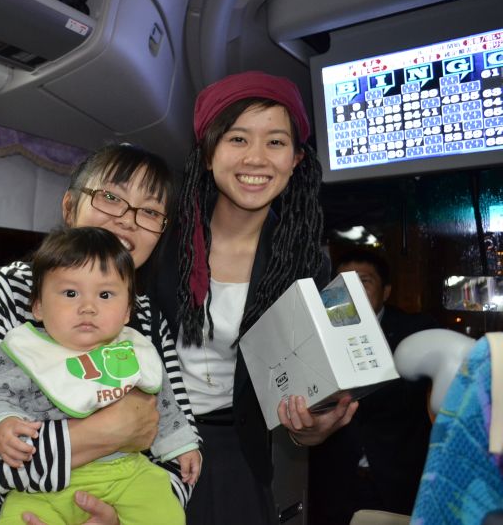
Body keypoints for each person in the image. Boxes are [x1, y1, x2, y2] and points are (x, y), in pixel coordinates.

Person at [0, 143, 199, 524]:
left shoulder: (149, 321)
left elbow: (179, 455)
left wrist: (115, 520)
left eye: (151, 212)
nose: (128, 220)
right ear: (70, 207)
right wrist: (100, 434)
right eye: (111, 197)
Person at [147, 71, 359, 524]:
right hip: (141, 437)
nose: (256, 158)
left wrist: (308, 429)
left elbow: (299, 381)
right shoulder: (160, 236)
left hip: (235, 450)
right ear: (209, 153)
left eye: (276, 142)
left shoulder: (305, 263)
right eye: (238, 139)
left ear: (296, 159)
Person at [0, 226, 200, 524]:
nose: (88, 307)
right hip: (41, 488)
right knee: (17, 517)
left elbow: (163, 402)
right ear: (38, 306)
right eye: (70, 293)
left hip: (126, 474)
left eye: (105, 294)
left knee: (164, 511)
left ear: (128, 310)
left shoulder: (133, 350)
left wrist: (181, 445)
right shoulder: (27, 353)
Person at [308, 248, 439, 524]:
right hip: (333, 484)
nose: (351, 290)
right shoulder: (314, 338)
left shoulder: (414, 331)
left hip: (395, 483)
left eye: (364, 281)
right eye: (342, 283)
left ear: (386, 291)